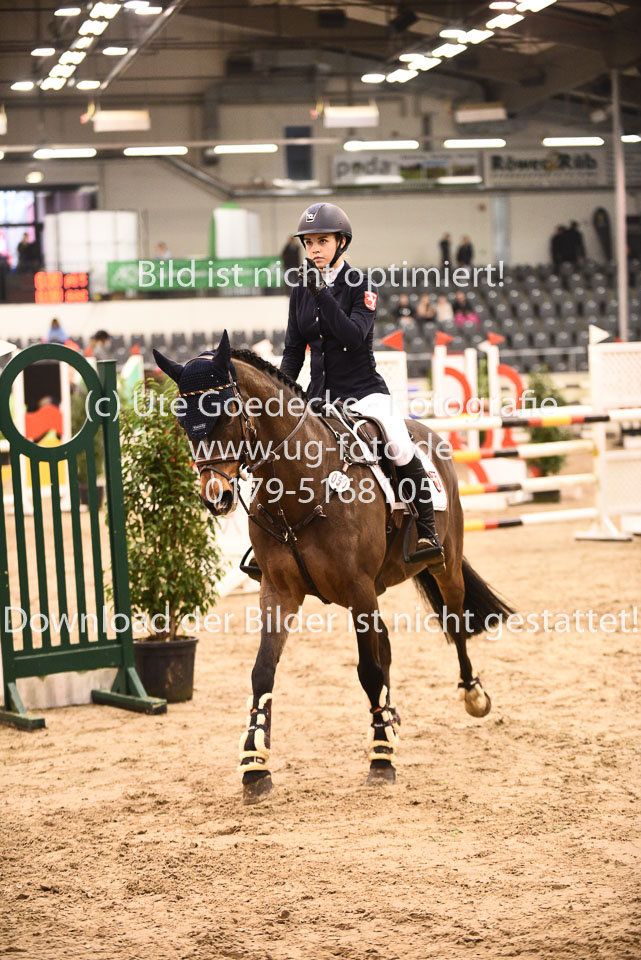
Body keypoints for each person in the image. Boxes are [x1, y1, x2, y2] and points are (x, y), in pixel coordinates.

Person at [280, 201, 444, 566]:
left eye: (322, 241)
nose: (314, 250)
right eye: (309, 243)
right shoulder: (300, 290)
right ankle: (275, 538)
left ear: (341, 242)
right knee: (286, 449)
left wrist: (323, 294)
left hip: (364, 392)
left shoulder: (360, 284)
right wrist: (281, 394)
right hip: (319, 396)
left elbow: (354, 336)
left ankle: (427, 531)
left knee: (399, 445)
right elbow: (293, 351)